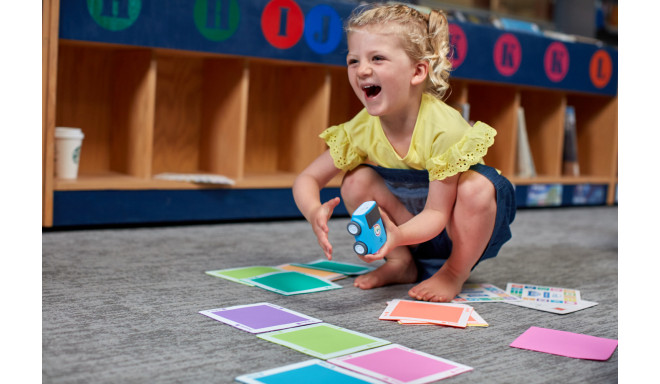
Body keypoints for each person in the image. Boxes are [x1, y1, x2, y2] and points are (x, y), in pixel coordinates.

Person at [292, 3, 516, 302]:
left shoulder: (444, 128)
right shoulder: (361, 127)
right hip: (408, 233)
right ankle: (401, 263)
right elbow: (307, 178)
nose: (363, 70)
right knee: (355, 180)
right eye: (353, 61)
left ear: (418, 71)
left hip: (455, 232)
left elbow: (437, 213)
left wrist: (396, 235)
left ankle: (454, 272)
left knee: (477, 187)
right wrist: (313, 210)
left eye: (378, 58)